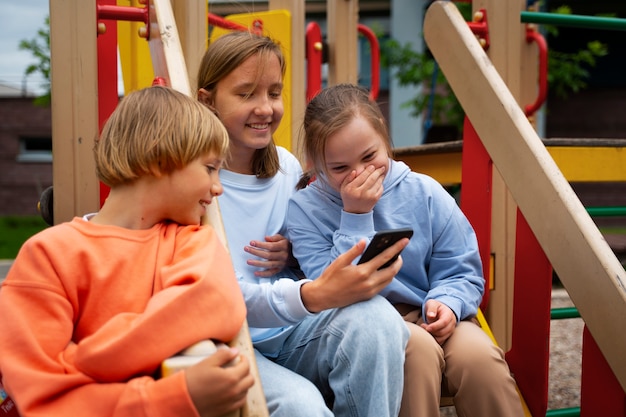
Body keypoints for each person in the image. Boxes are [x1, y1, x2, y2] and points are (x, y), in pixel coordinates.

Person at [0, 86, 255, 417]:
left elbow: (212, 304)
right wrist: (168, 398)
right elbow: (41, 399)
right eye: (210, 168)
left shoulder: (192, 240)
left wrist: (76, 362)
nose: (218, 187)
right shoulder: (49, 255)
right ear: (160, 157)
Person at [196, 32, 409, 417]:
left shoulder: (288, 168)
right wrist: (310, 292)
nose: (265, 108)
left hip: (290, 329)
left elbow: (310, 256)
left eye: (274, 93)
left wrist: (291, 253)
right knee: (302, 405)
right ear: (207, 100)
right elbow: (220, 292)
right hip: (229, 339)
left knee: (378, 319)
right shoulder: (197, 182)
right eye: (246, 94)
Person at [287, 83, 526, 417]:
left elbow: (461, 268)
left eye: (369, 156)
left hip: (434, 313)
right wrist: (355, 216)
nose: (360, 173)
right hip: (369, 326)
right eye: (340, 168)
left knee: (479, 359)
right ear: (316, 163)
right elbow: (331, 289)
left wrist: (448, 304)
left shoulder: (425, 192)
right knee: (417, 351)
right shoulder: (304, 210)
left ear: (384, 139)